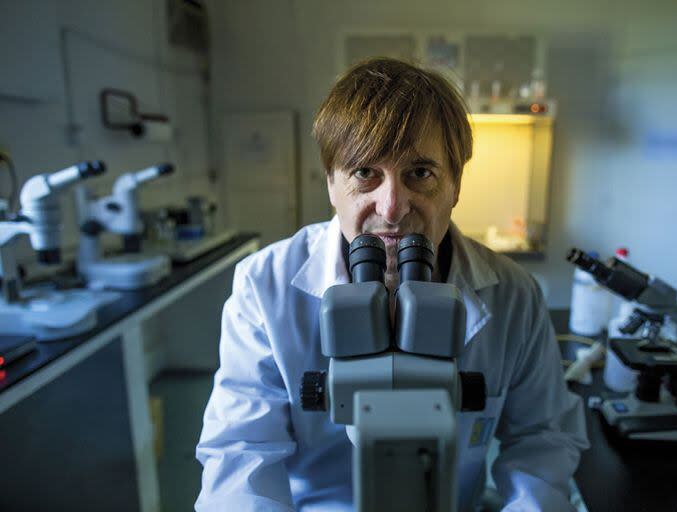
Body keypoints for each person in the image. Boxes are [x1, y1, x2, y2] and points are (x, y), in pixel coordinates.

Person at [196, 57, 588, 512]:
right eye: (365, 173)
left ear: (456, 185)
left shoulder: (513, 292)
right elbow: (241, 454)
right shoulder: (266, 285)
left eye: (419, 173)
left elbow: (542, 437)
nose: (393, 207)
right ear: (331, 183)